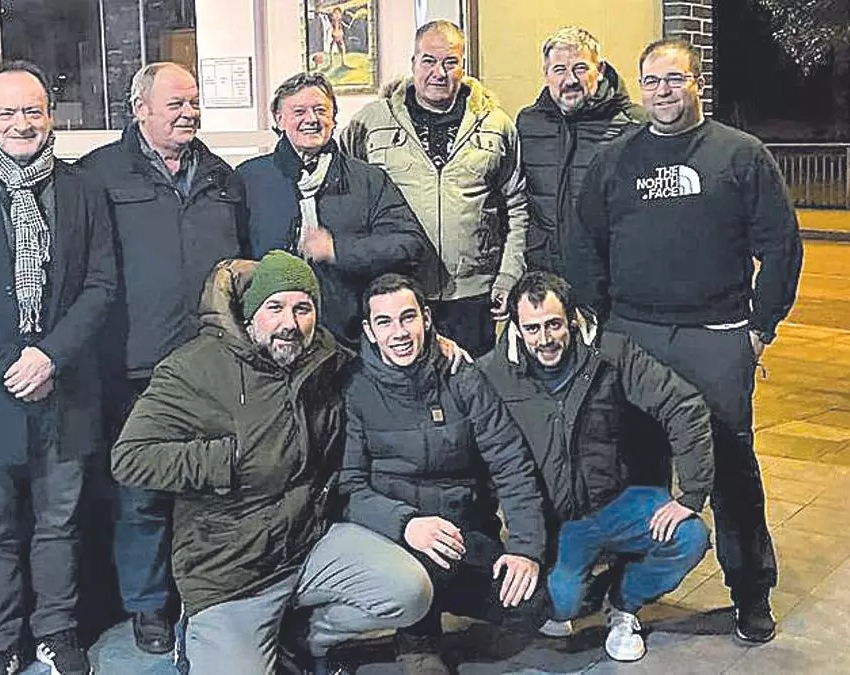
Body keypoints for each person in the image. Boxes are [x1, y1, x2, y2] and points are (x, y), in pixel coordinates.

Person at [564, 38, 804, 644]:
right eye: (651, 81)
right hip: (633, 333)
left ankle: (750, 591)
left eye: (674, 79)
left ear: (698, 83)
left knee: (729, 467)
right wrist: (598, 326)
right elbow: (583, 244)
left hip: (715, 335)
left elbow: (780, 245)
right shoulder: (614, 161)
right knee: (638, 469)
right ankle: (630, 595)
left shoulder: (740, 155)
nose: (662, 91)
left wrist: (760, 326)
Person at [112, 251, 432, 674]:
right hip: (230, 570)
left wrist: (436, 347)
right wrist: (227, 460)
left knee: (411, 591)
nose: (289, 323)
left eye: (303, 308)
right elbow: (130, 458)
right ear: (250, 315)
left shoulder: (321, 356)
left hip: (306, 544)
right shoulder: (193, 368)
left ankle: (301, 638)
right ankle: (204, 636)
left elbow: (376, 361)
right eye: (275, 307)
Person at [0, 60, 116, 675]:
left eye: (32, 110)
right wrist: (12, 361)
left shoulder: (84, 188)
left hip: (66, 382)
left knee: (59, 522)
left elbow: (101, 284)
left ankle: (57, 632)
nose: (21, 123)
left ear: (50, 115)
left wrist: (50, 355)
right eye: (6, 112)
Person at [76, 61, 245, 654]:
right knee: (141, 492)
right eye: (176, 103)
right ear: (140, 109)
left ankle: (206, 593)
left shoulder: (222, 177)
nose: (189, 112)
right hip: (135, 365)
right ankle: (147, 605)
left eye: (194, 102)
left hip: (212, 362)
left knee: (212, 485)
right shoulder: (97, 175)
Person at [480, 272, 714, 662]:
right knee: (560, 605)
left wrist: (691, 492)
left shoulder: (613, 353)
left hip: (618, 501)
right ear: (517, 328)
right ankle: (589, 585)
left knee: (689, 536)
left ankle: (624, 602)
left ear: (572, 319)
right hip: (559, 521)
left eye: (554, 324)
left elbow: (683, 405)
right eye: (533, 328)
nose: (545, 339)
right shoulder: (493, 373)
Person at [341, 273, 547, 674]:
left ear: (426, 318)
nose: (399, 332)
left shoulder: (463, 376)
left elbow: (510, 461)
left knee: (532, 604)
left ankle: (441, 596)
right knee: (418, 572)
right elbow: (348, 487)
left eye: (408, 317)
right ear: (369, 330)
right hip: (394, 536)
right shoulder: (354, 389)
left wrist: (526, 548)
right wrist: (405, 524)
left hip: (461, 529)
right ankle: (416, 639)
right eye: (384, 322)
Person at [343, 20, 529, 357]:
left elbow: (516, 206)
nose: (439, 73)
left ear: (463, 65)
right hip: (397, 294)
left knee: (470, 381)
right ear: (413, 62)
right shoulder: (370, 123)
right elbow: (349, 203)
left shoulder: (496, 124)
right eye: (428, 60)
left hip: (473, 296)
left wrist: (508, 276)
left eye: (450, 62)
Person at [236, 72, 431, 345]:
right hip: (275, 338)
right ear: (279, 120)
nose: (311, 119)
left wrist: (338, 250)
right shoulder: (249, 179)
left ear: (334, 118)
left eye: (320, 110)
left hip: (348, 336)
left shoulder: (368, 180)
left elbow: (409, 245)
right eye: (299, 111)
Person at [516, 26, 646, 274]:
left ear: (600, 70)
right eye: (559, 70)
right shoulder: (528, 123)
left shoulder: (635, 124)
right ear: (546, 73)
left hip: (609, 272)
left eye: (580, 68)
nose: (570, 80)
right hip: (544, 272)